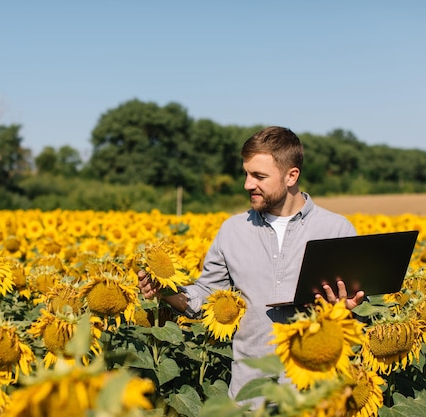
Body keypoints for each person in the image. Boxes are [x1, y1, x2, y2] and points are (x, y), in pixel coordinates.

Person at [138, 126, 365, 403]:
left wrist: (345, 310)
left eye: (259, 176)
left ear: (291, 175)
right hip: (250, 396)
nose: (247, 184)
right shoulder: (233, 231)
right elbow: (207, 297)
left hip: (316, 396)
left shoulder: (336, 230)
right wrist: (165, 290)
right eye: (246, 174)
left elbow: (355, 315)